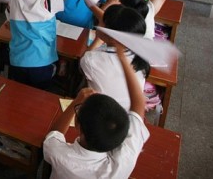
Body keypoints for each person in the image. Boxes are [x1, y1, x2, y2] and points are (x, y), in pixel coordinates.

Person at [43, 41, 150, 178]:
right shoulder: (122, 165)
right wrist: (123, 59)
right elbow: (139, 103)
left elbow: (54, 133)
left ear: (77, 123)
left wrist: (76, 101)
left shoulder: (57, 153)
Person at [0, 0, 84, 90]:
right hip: (41, 62)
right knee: (40, 94)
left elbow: (9, 24)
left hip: (17, 60)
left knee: (19, 91)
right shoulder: (48, 1)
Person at [80, 5, 150, 111]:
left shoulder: (91, 59)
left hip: (102, 115)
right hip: (131, 113)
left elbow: (83, 61)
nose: (98, 23)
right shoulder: (140, 54)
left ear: (111, 35)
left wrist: (98, 39)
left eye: (102, 21)